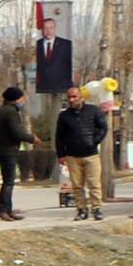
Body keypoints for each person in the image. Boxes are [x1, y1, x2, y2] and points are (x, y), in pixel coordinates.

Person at [54, 86, 105, 219]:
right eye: (69, 97)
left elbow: (103, 128)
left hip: (91, 154)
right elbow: (59, 136)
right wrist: (61, 154)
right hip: (72, 155)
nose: (71, 100)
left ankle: (97, 208)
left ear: (81, 97)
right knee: (77, 185)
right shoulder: (64, 116)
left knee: (94, 183)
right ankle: (82, 209)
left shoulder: (93, 111)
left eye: (74, 97)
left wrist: (94, 141)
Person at [0, 83, 29, 220]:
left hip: (1, 149)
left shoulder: (0, 111)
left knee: (8, 180)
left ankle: (8, 209)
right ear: (16, 99)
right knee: (9, 182)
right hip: (8, 150)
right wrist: (32, 138)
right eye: (21, 98)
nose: (23, 101)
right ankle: (2, 209)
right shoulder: (11, 112)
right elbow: (17, 132)